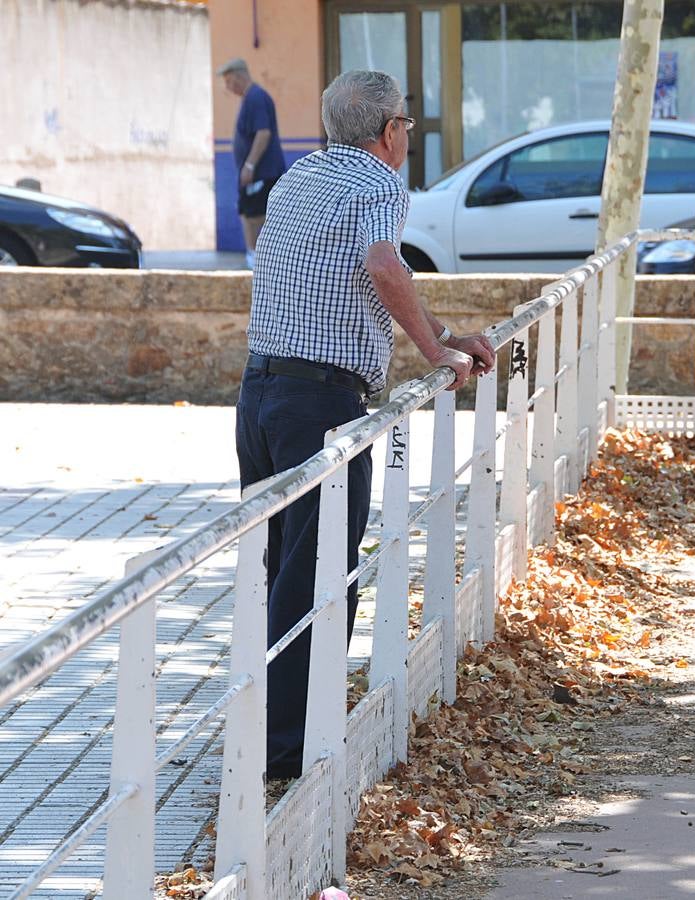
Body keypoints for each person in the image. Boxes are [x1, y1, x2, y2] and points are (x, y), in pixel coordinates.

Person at [235, 69, 496, 780]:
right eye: (405, 124)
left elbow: (367, 282)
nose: (405, 136)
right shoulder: (379, 184)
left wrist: (445, 332)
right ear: (388, 132)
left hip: (259, 395)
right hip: (319, 406)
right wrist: (435, 352)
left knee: (275, 573)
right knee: (318, 579)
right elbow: (384, 266)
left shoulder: (298, 179)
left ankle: (263, 734)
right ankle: (290, 755)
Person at [217, 57, 286, 269]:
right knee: (247, 213)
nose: (227, 87)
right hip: (254, 172)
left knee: (257, 215)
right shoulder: (250, 98)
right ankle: (254, 256)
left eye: (229, 81)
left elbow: (263, 133)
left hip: (262, 172)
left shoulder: (256, 98)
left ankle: (258, 260)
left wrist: (250, 165)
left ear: (239, 76)